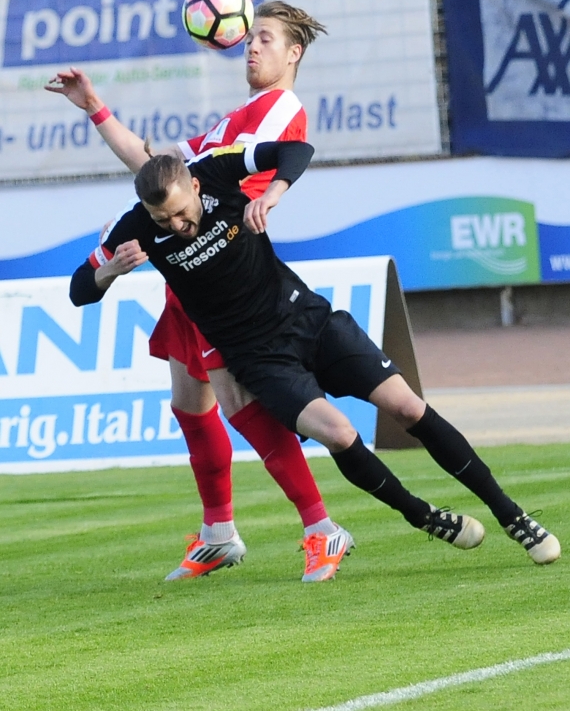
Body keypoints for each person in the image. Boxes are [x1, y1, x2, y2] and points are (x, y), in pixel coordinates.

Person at [70, 139, 562, 571]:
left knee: (409, 408)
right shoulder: (135, 226)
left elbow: (294, 150)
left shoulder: (215, 170)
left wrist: (271, 194)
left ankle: (512, 516)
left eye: (181, 212)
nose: (177, 225)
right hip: (259, 359)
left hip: (309, 320)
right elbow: (79, 289)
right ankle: (421, 515)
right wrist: (110, 271)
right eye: (164, 220)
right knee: (340, 433)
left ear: (194, 187)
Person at [47, 1, 355, 583]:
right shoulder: (236, 119)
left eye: (265, 38)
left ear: (294, 53)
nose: (251, 46)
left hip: (218, 271)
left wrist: (265, 193)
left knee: (241, 405)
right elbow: (158, 169)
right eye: (250, 37)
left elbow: (234, 173)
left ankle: (321, 527)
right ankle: (219, 535)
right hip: (183, 269)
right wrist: (95, 108)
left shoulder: (278, 108)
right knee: (190, 405)